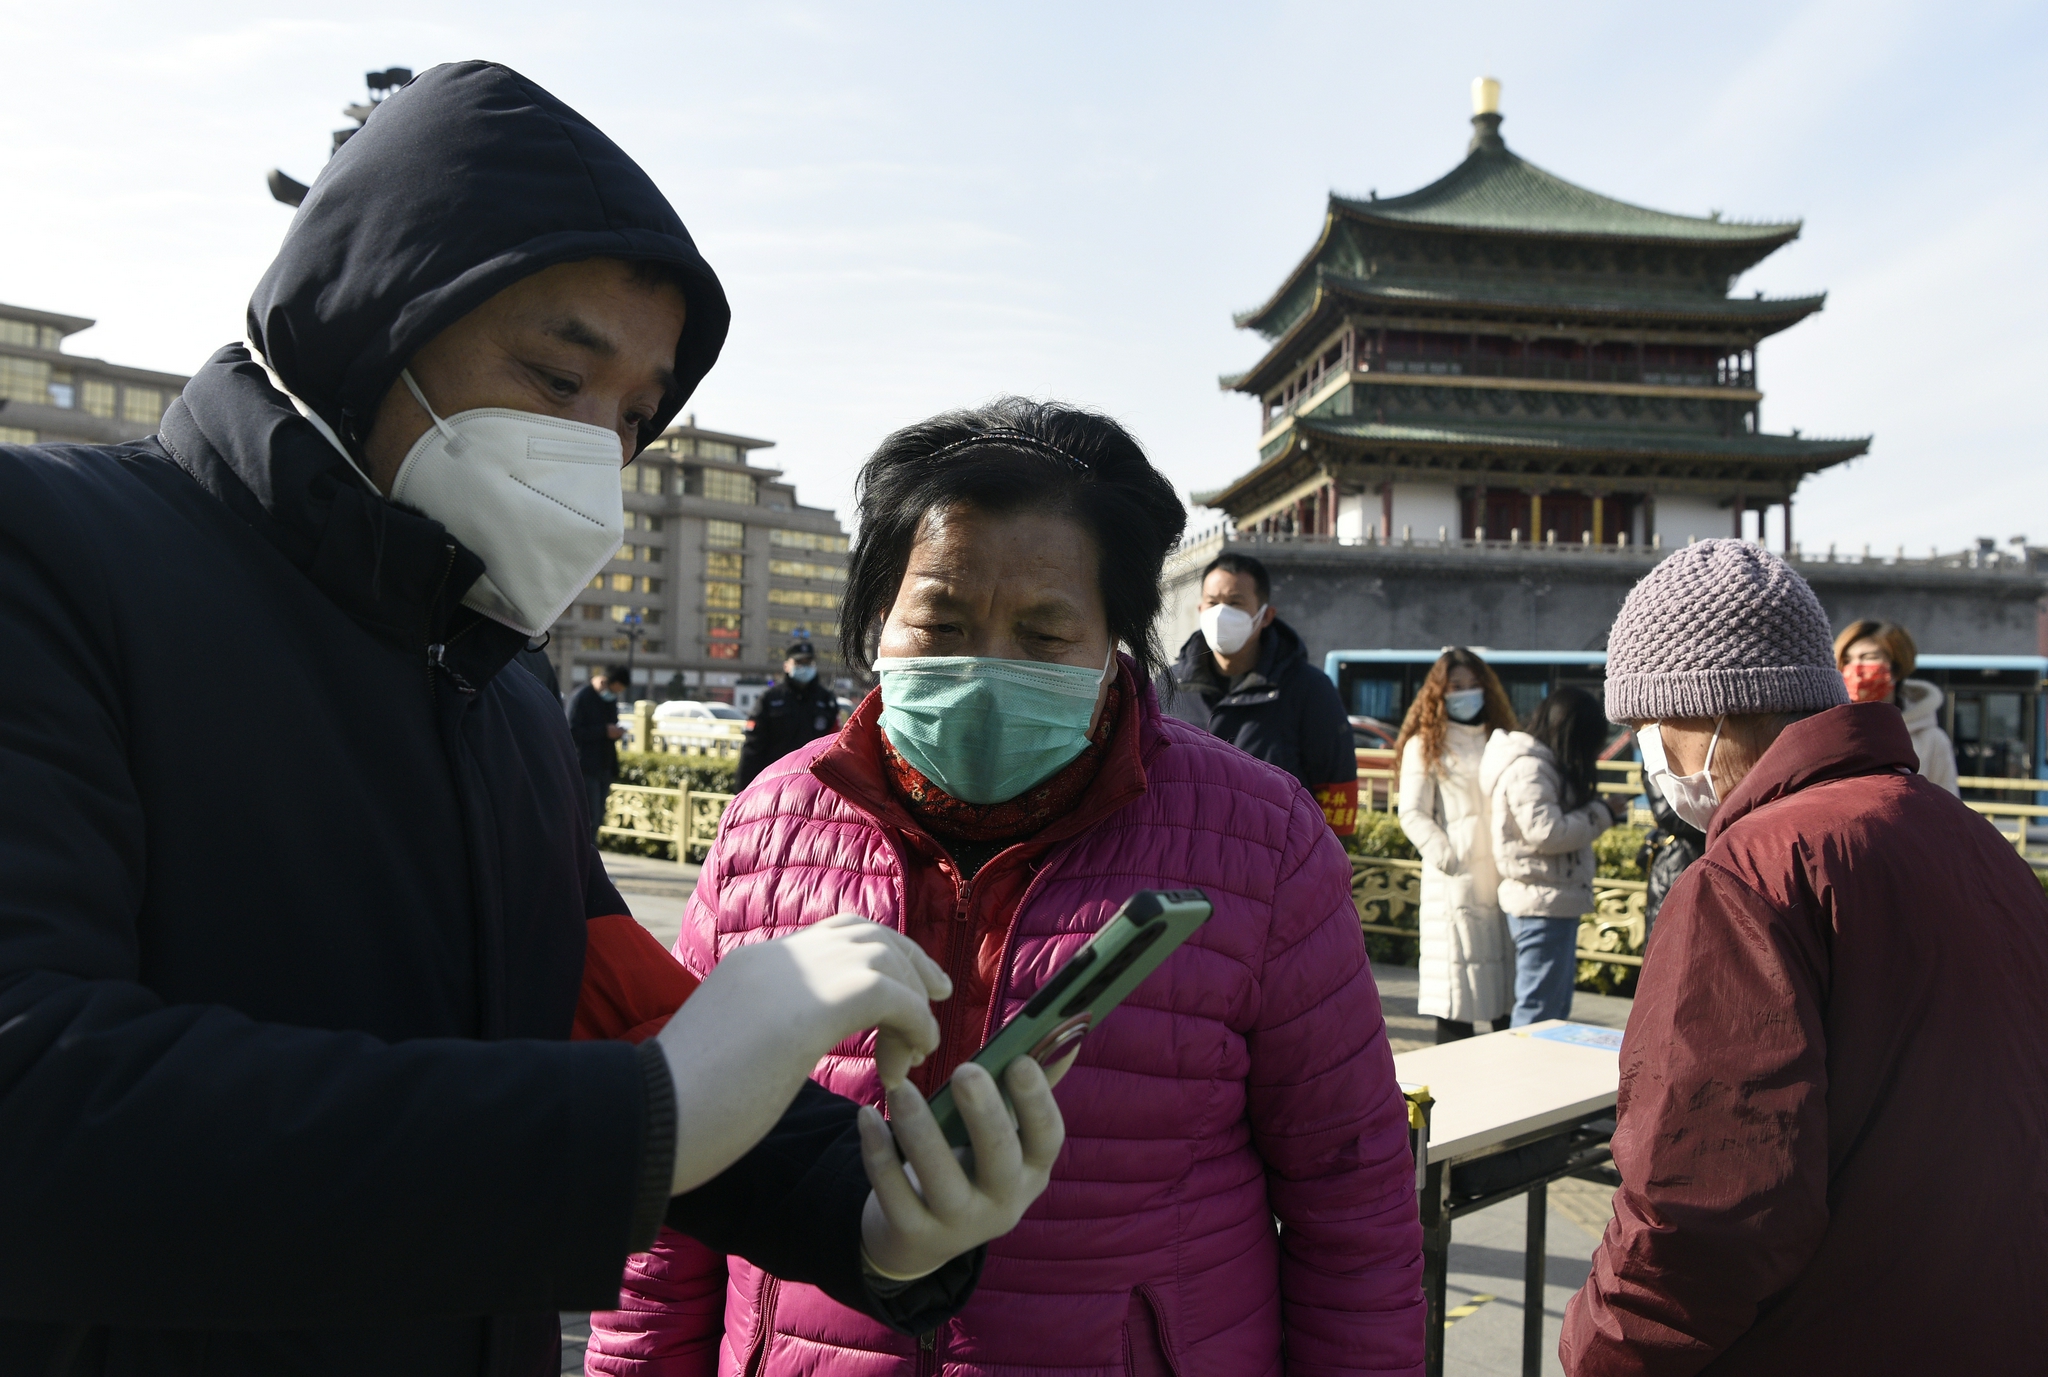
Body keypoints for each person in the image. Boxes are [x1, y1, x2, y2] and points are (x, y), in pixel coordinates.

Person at [0, 62, 1062, 1375]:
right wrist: (647, 1114)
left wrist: (873, 1206)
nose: (600, 453)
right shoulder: (49, 558)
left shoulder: (499, 687)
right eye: (560, 378)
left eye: (634, 415)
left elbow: (604, 1019)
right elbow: (37, 1095)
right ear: (370, 320)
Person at [589, 400, 1425, 1376]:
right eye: (939, 621)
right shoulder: (767, 820)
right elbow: (671, 1178)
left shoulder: (1262, 839)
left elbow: (1351, 1205)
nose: (983, 667)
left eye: (1041, 633)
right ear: (876, 622)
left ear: (1115, 637)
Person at [1562, 540, 2048, 1374]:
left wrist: (1595, 1351)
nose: (1650, 754)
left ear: (1704, 710)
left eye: (1648, 725)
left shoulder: (1746, 877)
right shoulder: (1969, 837)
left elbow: (1703, 1214)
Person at [1161, 550, 1359, 836]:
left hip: (1270, 868)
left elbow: (1336, 786)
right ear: (1201, 611)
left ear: (1265, 616)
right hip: (1180, 864)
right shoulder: (1166, 686)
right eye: (1213, 603)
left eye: (1235, 603)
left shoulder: (1309, 690)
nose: (1221, 614)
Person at [1393, 647, 1520, 1042]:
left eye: (1472, 685)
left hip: (1503, 879)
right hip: (1455, 888)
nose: (1466, 693)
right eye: (1456, 687)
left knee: (1507, 1004)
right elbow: (1413, 813)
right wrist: (1450, 859)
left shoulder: (1502, 740)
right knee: (1457, 1002)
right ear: (1439, 693)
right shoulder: (1426, 744)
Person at [1479, 688, 1621, 1027]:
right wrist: (1601, 812)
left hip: (1548, 896)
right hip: (1541, 900)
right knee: (1539, 1009)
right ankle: (1524, 1076)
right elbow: (1546, 832)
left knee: (1550, 1006)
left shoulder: (1535, 764)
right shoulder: (1530, 768)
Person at [1834, 618, 1960, 794]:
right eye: (1847, 660)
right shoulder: (1829, 732)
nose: (1856, 669)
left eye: (1868, 658)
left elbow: (1948, 808)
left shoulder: (1931, 741)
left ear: (1897, 668)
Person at [735, 641, 843, 788]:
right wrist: (742, 789)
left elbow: (835, 745)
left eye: (808, 663)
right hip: (774, 783)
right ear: (787, 665)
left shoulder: (826, 700)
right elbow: (753, 747)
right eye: (798, 662)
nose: (804, 667)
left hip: (813, 785)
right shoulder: (770, 699)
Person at [1634, 771, 1704, 941]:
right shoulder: (1657, 756)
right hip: (1675, 862)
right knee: (1668, 943)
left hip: (1695, 858)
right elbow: (1667, 815)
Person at [571, 665, 631, 840]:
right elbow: (571, 731)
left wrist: (615, 732)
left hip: (604, 766)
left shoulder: (610, 700)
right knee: (589, 818)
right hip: (585, 766)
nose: (614, 695)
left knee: (598, 817)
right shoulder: (581, 697)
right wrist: (604, 731)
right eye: (614, 690)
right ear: (605, 682)